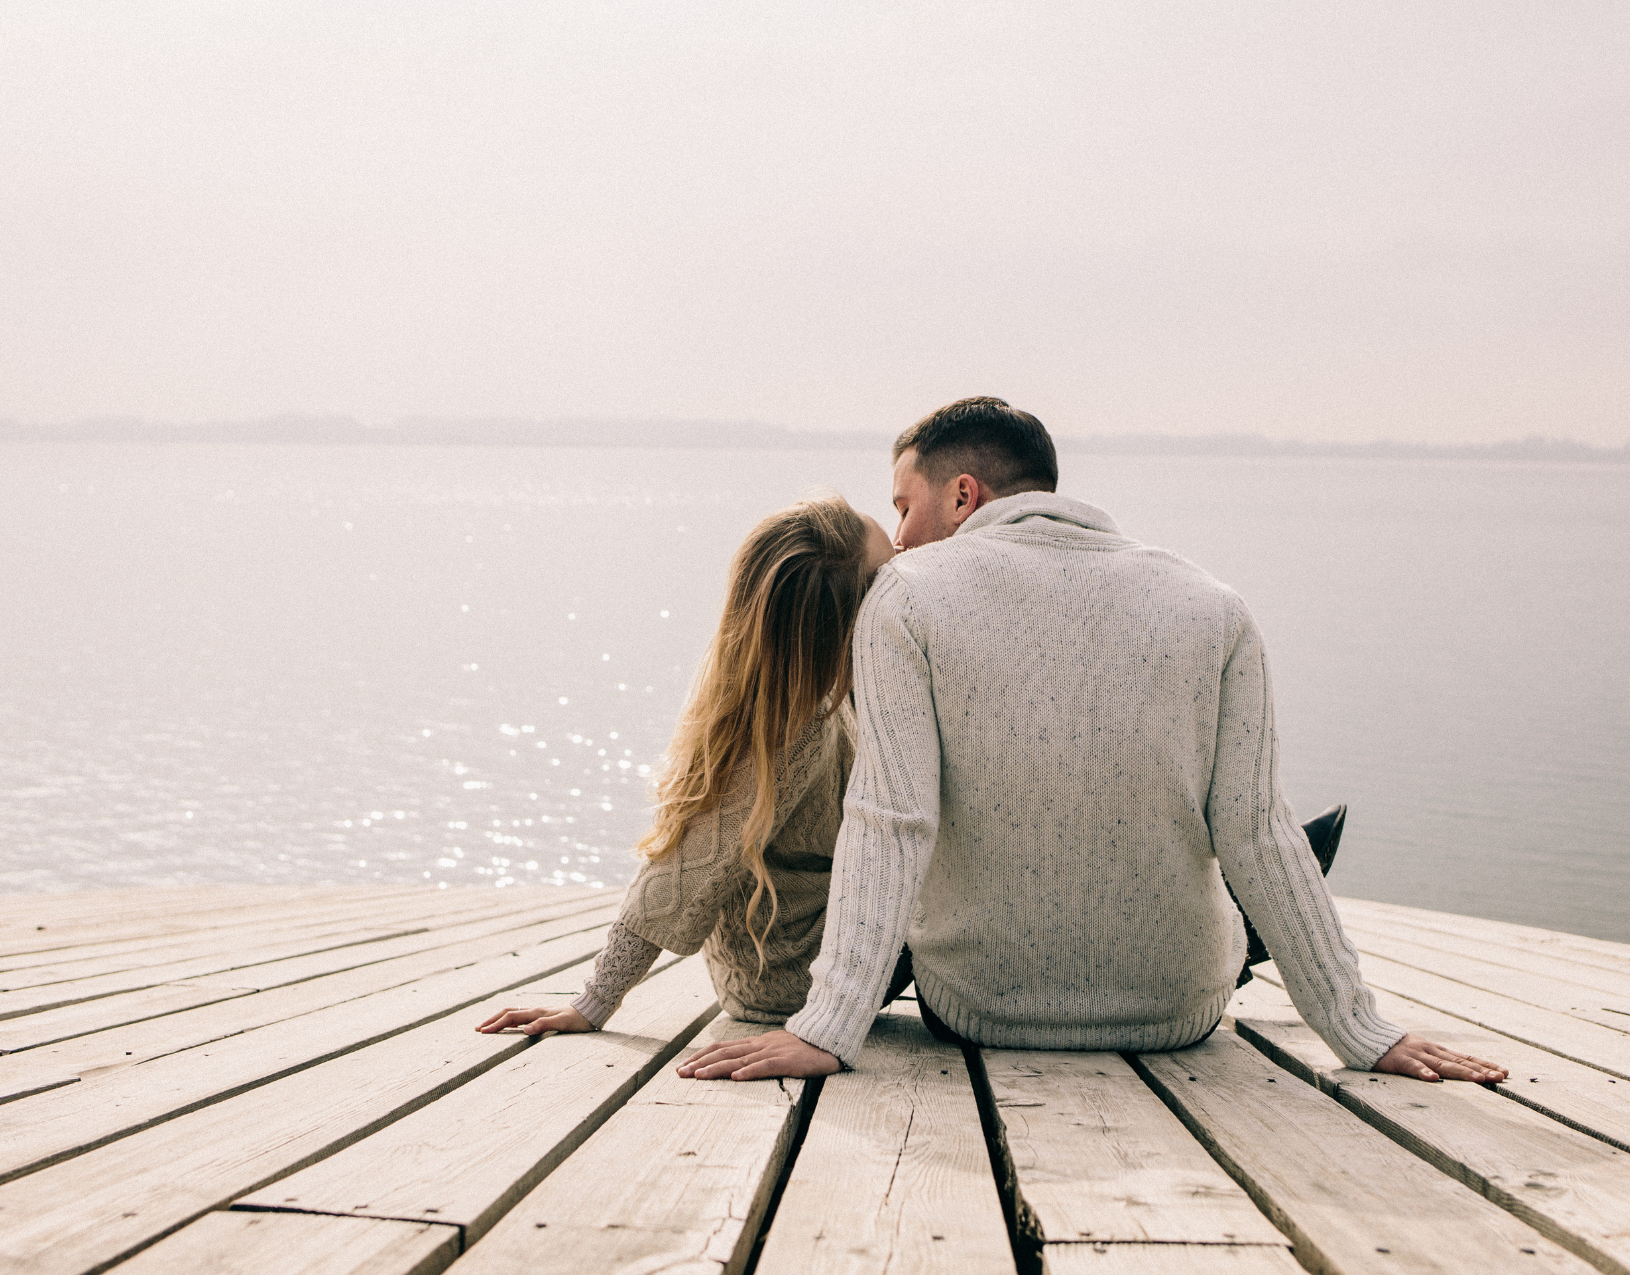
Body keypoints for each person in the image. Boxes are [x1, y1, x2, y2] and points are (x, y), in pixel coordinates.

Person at [677, 397, 1507, 1085]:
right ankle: (1244, 937)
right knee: (1244, 852)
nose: (896, 538)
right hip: (1179, 1017)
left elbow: (892, 821)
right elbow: (1257, 832)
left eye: (904, 506)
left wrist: (828, 1028)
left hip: (978, 1010)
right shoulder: (1213, 604)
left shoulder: (904, 601)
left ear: (963, 496)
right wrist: (1363, 1030)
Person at [475, 493, 895, 1040]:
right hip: (791, 978)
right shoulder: (794, 727)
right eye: (888, 575)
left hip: (800, 957)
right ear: (851, 614)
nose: (904, 566)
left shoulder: (826, 695)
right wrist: (595, 1000)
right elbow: (683, 866)